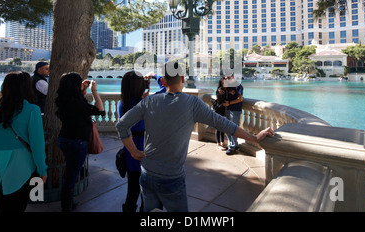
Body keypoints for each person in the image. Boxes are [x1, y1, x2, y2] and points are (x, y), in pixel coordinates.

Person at [115, 62, 274, 212]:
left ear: (163, 80)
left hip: (147, 173)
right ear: (183, 79)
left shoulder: (148, 101)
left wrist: (133, 151)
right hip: (171, 177)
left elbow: (121, 125)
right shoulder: (192, 103)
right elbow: (223, 124)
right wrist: (253, 138)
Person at [0, 71, 48, 212]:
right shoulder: (32, 110)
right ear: (27, 88)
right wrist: (42, 170)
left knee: (1, 207)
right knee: (18, 207)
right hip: (22, 168)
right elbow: (37, 145)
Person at [55, 72, 105, 211]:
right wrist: (94, 91)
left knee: (70, 172)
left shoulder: (63, 100)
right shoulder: (77, 103)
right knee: (71, 176)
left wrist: (82, 92)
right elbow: (100, 111)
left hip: (64, 139)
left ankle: (69, 203)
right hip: (76, 142)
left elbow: (78, 106)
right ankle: (66, 206)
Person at [118, 71, 166, 212]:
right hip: (146, 150)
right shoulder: (147, 103)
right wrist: (155, 75)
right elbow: (166, 88)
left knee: (132, 191)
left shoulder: (123, 104)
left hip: (131, 150)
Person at [222, 74, 244, 155]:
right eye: (226, 78)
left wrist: (229, 103)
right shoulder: (227, 87)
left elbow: (240, 98)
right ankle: (233, 144)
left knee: (233, 128)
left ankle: (233, 146)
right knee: (227, 128)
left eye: (228, 77)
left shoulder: (238, 86)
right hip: (227, 110)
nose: (227, 79)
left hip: (235, 110)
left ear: (233, 77)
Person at [212, 77, 227, 151]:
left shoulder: (226, 90)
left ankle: (222, 143)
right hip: (219, 110)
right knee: (218, 127)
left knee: (222, 127)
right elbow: (221, 99)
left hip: (223, 111)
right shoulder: (220, 89)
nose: (224, 83)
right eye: (223, 82)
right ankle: (218, 144)